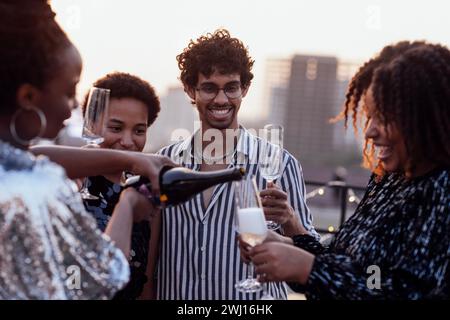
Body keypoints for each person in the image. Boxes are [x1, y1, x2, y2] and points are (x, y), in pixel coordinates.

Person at [242, 41, 450, 299]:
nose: (370, 131)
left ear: (424, 117)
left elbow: (399, 292)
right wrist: (288, 245)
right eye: (369, 116)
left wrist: (308, 269)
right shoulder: (389, 179)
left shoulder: (442, 191)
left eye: (383, 118)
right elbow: (352, 265)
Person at [0, 0, 173, 299]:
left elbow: (37, 157)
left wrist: (129, 160)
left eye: (139, 130)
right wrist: (129, 206)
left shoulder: (21, 170)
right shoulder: (39, 188)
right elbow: (103, 279)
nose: (73, 106)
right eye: (69, 91)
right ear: (28, 95)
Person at [157, 29, 318, 300]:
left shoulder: (281, 164)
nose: (221, 100)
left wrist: (290, 219)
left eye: (231, 87)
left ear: (244, 88)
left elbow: (312, 261)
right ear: (190, 89)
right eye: (209, 87)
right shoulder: (165, 163)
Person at [80, 72, 161, 300]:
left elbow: (145, 289)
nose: (127, 141)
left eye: (138, 131)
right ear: (91, 124)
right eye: (116, 128)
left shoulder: (147, 196)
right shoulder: (69, 186)